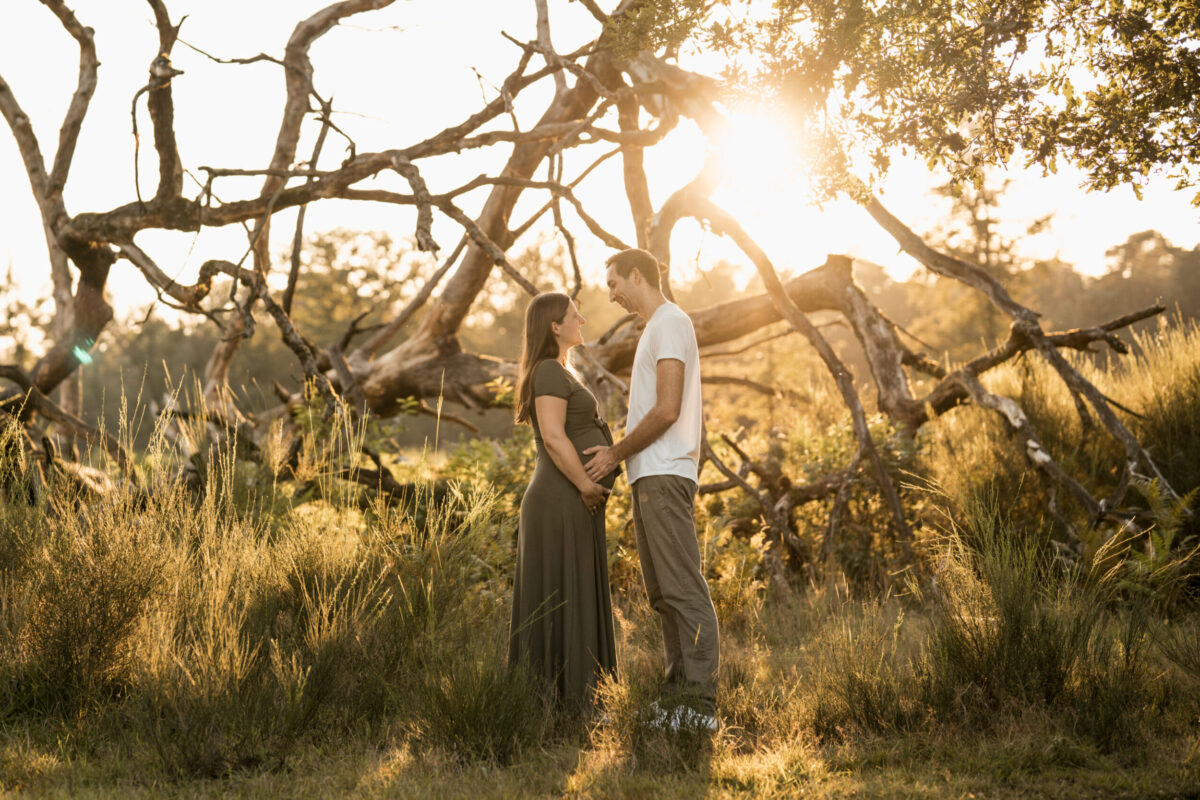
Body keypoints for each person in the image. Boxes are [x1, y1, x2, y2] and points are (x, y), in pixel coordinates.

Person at [583, 248, 719, 729]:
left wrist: (614, 454)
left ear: (636, 275)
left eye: (614, 284)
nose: (611, 295)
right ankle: (676, 700)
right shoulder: (656, 327)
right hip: (650, 474)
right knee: (662, 594)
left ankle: (700, 707)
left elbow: (667, 409)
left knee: (682, 590)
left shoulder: (670, 323)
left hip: (665, 472)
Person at [508, 291, 619, 710]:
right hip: (560, 499)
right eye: (575, 315)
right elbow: (553, 437)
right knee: (561, 593)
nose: (583, 320)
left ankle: (581, 699)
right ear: (555, 326)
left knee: (575, 592)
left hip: (572, 498)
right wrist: (586, 486)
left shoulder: (562, 370)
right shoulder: (549, 372)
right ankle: (560, 702)